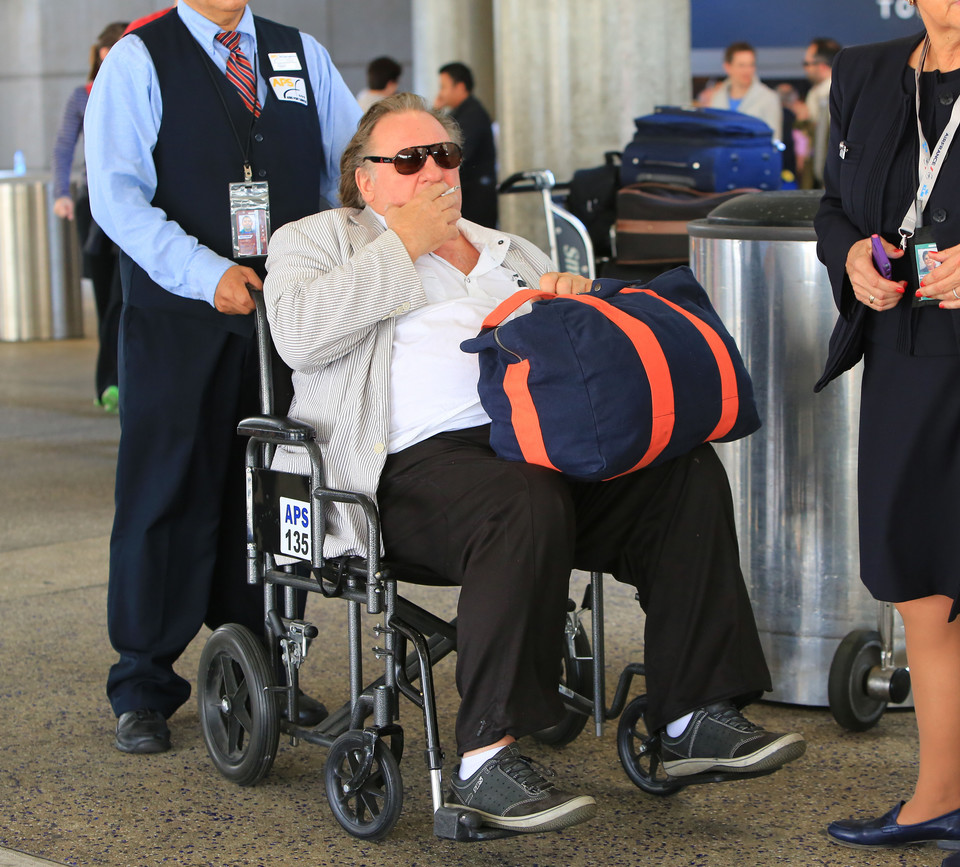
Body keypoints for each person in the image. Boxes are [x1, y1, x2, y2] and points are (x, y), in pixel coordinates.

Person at [262, 92, 806, 835]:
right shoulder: (320, 238)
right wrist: (405, 244)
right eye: (410, 159)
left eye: (445, 156)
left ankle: (689, 719)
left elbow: (570, 352)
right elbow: (297, 335)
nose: (433, 172)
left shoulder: (508, 250)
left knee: (682, 474)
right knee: (522, 496)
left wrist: (565, 301)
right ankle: (485, 757)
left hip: (541, 448)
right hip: (407, 470)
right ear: (365, 178)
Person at [83, 0, 363, 755]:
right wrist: (207, 274)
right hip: (182, 314)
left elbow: (350, 165)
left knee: (278, 490)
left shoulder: (297, 51)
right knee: (167, 486)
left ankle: (267, 666)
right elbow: (116, 197)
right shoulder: (141, 58)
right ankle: (143, 682)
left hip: (288, 316)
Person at [814, 0, 960, 850]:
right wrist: (852, 256)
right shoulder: (867, 73)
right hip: (906, 353)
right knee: (921, 580)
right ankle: (938, 792)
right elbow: (836, 208)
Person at [51, 21, 127, 413]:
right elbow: (65, 147)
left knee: (123, 295)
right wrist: (61, 194)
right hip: (93, 207)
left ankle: (122, 379)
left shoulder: (133, 91)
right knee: (105, 298)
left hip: (132, 203)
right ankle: (109, 381)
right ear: (101, 54)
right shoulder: (84, 96)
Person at [434, 62, 498, 228]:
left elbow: (456, 154)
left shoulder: (472, 115)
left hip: (477, 199)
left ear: (460, 87)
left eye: (443, 87)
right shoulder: (460, 112)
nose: (440, 93)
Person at [710, 42, 782, 141]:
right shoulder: (717, 96)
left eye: (751, 65)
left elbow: (774, 139)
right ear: (727, 67)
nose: (747, 70)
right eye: (741, 65)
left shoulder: (768, 98)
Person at [803, 37, 842, 187]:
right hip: (821, 178)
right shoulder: (815, 94)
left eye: (807, 64)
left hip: (836, 179)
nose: (805, 69)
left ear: (822, 66)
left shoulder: (838, 94)